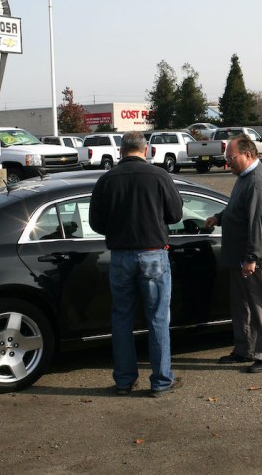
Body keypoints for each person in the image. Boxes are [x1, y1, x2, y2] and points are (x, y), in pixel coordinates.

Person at [89, 131, 184, 397]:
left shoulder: (106, 179)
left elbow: (96, 223)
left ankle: (124, 381)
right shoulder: (160, 176)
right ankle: (161, 381)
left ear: (121, 151)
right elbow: (176, 214)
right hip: (153, 254)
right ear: (146, 150)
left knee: (121, 320)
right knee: (157, 319)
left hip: (120, 256)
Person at [204, 136, 262, 373]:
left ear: (248, 155)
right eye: (227, 157)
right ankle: (245, 349)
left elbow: (259, 223)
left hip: (258, 259)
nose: (228, 162)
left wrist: (252, 258)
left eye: (231, 157)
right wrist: (219, 217)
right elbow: (236, 207)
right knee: (242, 306)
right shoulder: (244, 177)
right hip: (241, 257)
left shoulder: (258, 182)